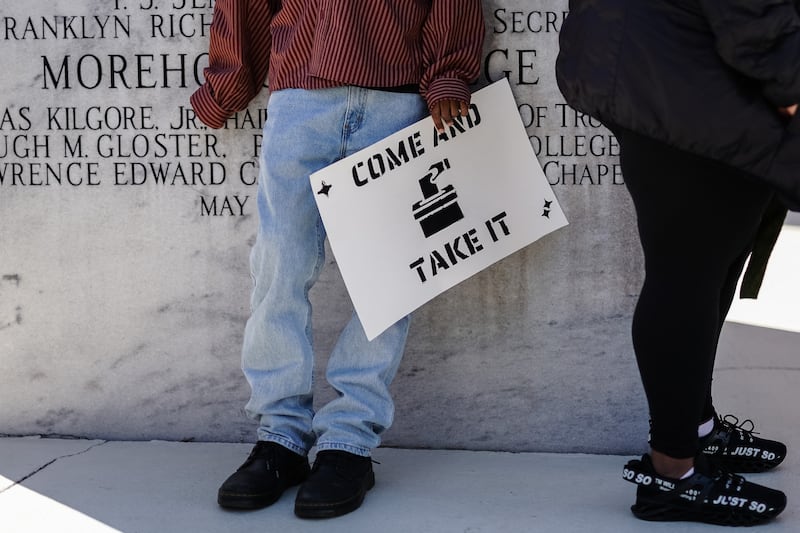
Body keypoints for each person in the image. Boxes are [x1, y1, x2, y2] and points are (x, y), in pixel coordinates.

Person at [190, 0, 484, 519]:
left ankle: (348, 442)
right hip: (300, 94)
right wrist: (227, 84)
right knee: (280, 265)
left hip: (395, 98)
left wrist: (447, 77)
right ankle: (279, 437)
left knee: (388, 279)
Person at [556, 0, 799, 526]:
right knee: (686, 271)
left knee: (711, 261)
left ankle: (696, 430)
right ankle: (673, 475)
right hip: (687, 77)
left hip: (664, 62)